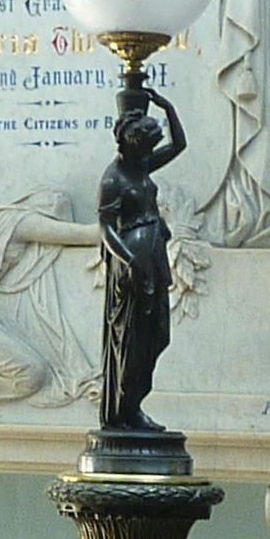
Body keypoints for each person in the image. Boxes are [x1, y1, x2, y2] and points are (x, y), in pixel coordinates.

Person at [98, 78, 188, 437]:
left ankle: (135, 406)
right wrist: (128, 261)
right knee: (132, 339)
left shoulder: (140, 166)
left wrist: (167, 108)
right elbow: (105, 228)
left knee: (155, 335)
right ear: (129, 144)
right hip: (133, 267)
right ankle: (126, 410)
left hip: (153, 258)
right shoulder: (114, 178)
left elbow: (179, 144)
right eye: (144, 147)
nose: (148, 153)